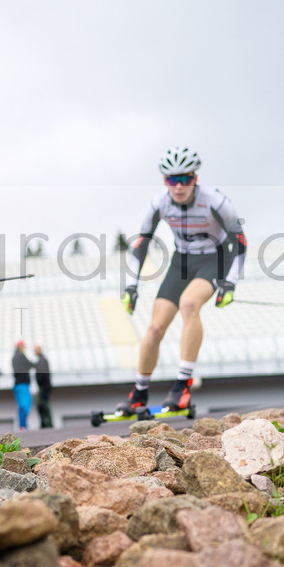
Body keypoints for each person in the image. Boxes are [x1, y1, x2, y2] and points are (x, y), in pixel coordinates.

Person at [117, 147, 246, 415]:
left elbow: (240, 242)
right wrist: (131, 285)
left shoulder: (215, 201)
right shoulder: (159, 203)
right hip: (182, 260)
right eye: (171, 180)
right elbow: (141, 244)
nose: (178, 186)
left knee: (189, 304)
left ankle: (182, 385)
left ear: (195, 178)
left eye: (184, 179)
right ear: (165, 182)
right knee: (154, 328)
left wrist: (230, 282)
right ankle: (139, 393)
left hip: (215, 257)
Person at [11, 342, 33, 431]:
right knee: (25, 405)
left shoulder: (14, 357)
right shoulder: (21, 355)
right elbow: (31, 364)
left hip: (18, 385)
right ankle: (23, 426)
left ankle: (22, 425)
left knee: (22, 406)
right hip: (22, 384)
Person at [32, 344, 54, 428]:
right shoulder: (40, 360)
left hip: (44, 387)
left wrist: (43, 385)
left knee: (43, 405)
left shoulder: (42, 360)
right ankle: (46, 423)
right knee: (42, 405)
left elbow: (43, 375)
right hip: (43, 387)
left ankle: (47, 423)